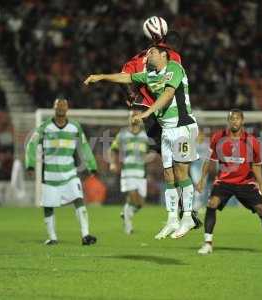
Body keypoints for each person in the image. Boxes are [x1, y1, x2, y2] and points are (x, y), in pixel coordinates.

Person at [84, 46, 199, 239]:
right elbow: (126, 77)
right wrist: (100, 77)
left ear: (163, 55)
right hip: (167, 130)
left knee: (181, 171)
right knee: (168, 174)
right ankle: (172, 219)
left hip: (183, 126)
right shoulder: (150, 75)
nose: (148, 55)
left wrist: (146, 112)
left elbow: (168, 94)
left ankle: (187, 216)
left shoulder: (175, 68)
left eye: (152, 52)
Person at [120, 29, 202, 229]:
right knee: (177, 166)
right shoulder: (172, 58)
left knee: (175, 166)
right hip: (161, 117)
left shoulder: (139, 61)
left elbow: (125, 78)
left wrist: (130, 94)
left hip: (160, 118)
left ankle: (184, 213)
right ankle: (185, 212)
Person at [196, 109, 262, 255]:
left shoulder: (252, 141)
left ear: (242, 121)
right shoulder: (218, 137)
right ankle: (208, 244)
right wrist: (201, 179)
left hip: (245, 183)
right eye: (231, 119)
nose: (234, 121)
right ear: (228, 121)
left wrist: (261, 185)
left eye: (237, 119)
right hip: (224, 181)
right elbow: (209, 160)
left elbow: (256, 164)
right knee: (212, 203)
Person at [25, 98, 98, 246]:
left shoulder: (74, 127)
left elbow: (84, 147)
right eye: (58, 105)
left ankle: (85, 235)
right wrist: (30, 165)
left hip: (69, 173)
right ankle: (52, 238)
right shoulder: (45, 127)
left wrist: (92, 165)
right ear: (54, 107)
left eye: (63, 105)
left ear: (67, 108)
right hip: (50, 175)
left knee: (78, 199)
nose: (61, 107)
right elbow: (31, 144)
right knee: (48, 205)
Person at [109, 110, 149, 234]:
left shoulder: (145, 136)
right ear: (129, 118)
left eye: (137, 116)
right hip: (128, 171)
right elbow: (113, 149)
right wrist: (113, 163)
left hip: (141, 171)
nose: (134, 118)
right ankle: (128, 226)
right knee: (132, 197)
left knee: (140, 203)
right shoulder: (123, 134)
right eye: (132, 116)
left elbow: (150, 152)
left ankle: (127, 213)